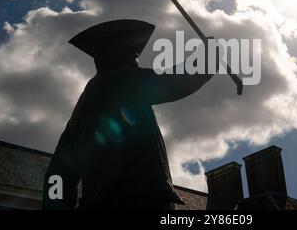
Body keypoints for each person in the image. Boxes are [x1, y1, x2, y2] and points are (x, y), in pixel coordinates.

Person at [42, 19, 213, 210]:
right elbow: (172, 81)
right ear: (118, 54)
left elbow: (58, 173)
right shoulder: (120, 80)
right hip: (136, 201)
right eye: (132, 53)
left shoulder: (84, 104)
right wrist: (208, 57)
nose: (136, 61)